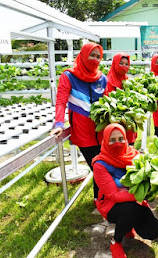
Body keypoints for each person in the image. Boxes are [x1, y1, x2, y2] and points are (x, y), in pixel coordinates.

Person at [92, 124, 158, 258]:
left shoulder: (133, 155)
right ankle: (116, 241)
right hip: (110, 205)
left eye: (121, 139)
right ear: (105, 141)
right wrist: (141, 196)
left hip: (133, 200)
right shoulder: (100, 164)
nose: (117, 143)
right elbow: (114, 195)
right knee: (130, 209)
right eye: (112, 140)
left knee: (153, 232)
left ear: (126, 138)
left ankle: (128, 225)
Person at [50, 42, 106, 205]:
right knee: (97, 166)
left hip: (102, 130)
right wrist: (59, 123)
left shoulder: (101, 77)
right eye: (92, 55)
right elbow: (60, 101)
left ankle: (101, 198)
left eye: (98, 56)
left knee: (102, 164)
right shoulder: (69, 76)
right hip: (83, 131)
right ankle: (101, 200)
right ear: (83, 55)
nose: (95, 59)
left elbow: (109, 99)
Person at [104, 53, 137, 145]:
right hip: (115, 123)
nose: (124, 66)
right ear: (115, 64)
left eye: (127, 64)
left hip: (128, 123)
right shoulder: (108, 82)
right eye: (121, 63)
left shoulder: (128, 81)